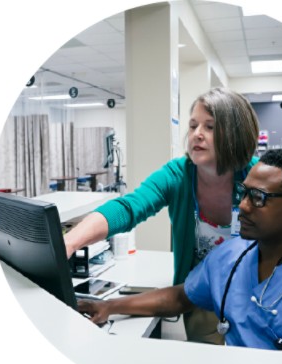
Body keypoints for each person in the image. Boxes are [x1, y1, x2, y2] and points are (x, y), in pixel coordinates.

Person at [78, 149, 282, 353]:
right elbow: (181, 296)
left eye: (258, 198)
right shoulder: (231, 255)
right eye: (245, 192)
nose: (243, 205)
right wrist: (110, 306)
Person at [64, 87, 260, 345]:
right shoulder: (178, 175)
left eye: (210, 127)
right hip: (198, 296)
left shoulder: (258, 178)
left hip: (253, 296)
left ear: (235, 134)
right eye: (193, 126)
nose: (197, 134)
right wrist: (69, 242)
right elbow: (129, 207)